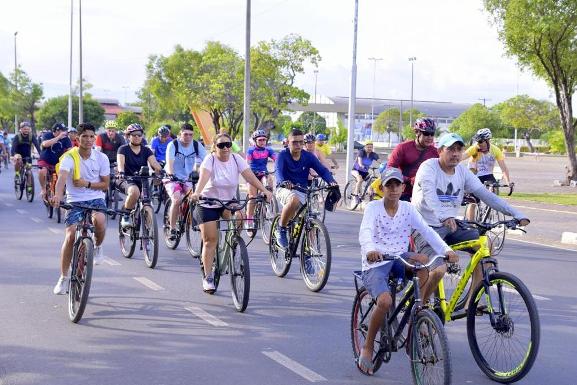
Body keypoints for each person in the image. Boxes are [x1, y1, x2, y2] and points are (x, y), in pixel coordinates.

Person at [357, 167, 458, 375]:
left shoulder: (408, 208)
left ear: (403, 187)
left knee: (422, 262)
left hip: (400, 256)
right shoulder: (373, 208)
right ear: (381, 188)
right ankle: (367, 347)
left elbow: (427, 232)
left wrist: (446, 250)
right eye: (389, 185)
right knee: (384, 302)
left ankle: (417, 312)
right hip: (377, 261)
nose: (393, 189)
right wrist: (370, 250)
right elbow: (365, 232)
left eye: (397, 185)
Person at [411, 132, 530, 309]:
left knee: (484, 245)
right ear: (440, 151)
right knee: (439, 271)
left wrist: (516, 213)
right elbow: (429, 196)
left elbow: (487, 195)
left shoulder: (462, 172)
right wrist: (444, 216)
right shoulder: (428, 168)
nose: (456, 154)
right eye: (451, 149)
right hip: (425, 228)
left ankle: (470, 303)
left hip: (450, 225)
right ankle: (420, 308)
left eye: (459, 149)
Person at [190, 133, 272, 292]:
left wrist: (264, 190)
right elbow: (204, 177)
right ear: (215, 147)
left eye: (228, 144)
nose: (225, 148)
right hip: (207, 202)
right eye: (221, 145)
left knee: (240, 217)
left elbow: (250, 177)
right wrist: (197, 192)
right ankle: (208, 276)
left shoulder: (236, 159)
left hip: (228, 201)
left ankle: (233, 245)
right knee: (210, 240)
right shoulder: (210, 159)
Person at [50, 123, 111, 294]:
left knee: (99, 220)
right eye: (84, 136)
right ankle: (63, 277)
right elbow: (61, 178)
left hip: (96, 198)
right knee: (70, 235)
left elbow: (105, 185)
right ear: (77, 138)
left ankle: (98, 247)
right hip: (75, 200)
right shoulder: (70, 157)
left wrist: (87, 184)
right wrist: (57, 196)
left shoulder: (102, 158)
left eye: (92, 136)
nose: (89, 139)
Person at [274, 129, 338, 248]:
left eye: (301, 142)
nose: (298, 145)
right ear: (288, 142)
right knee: (294, 200)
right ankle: (281, 229)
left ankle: (309, 255)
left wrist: (331, 181)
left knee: (311, 220)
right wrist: (283, 182)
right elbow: (278, 172)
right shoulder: (282, 155)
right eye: (294, 142)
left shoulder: (308, 156)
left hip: (302, 190)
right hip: (284, 188)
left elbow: (322, 170)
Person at [164, 123, 207, 240]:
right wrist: (171, 174)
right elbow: (169, 162)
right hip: (172, 178)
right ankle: (172, 228)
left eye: (190, 135)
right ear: (180, 135)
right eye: (185, 134)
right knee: (177, 199)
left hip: (187, 178)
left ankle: (187, 216)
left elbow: (207, 161)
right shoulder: (173, 145)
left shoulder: (196, 145)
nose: (188, 137)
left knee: (195, 197)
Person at [116, 123, 163, 228]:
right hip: (126, 179)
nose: (137, 137)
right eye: (134, 135)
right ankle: (126, 216)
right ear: (128, 136)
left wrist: (161, 170)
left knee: (147, 201)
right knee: (134, 192)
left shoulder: (146, 150)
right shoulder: (123, 149)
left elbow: (154, 163)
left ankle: (147, 235)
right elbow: (120, 164)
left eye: (139, 134)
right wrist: (121, 172)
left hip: (142, 180)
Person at [387, 117, 439, 201]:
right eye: (426, 133)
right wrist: (408, 179)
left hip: (424, 193)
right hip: (403, 192)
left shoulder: (435, 152)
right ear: (417, 132)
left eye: (432, 134)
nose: (430, 137)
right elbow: (390, 168)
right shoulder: (402, 148)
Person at [245, 129, 277, 233]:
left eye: (264, 140)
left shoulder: (268, 150)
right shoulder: (251, 150)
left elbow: (276, 159)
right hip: (252, 175)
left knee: (269, 181)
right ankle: (249, 220)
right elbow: (247, 164)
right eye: (260, 140)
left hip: (263, 173)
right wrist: (251, 172)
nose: (263, 142)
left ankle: (267, 205)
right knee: (253, 198)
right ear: (255, 141)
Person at [38, 123, 72, 199]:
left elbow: (70, 150)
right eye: (62, 130)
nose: (65, 132)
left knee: (64, 175)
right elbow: (45, 144)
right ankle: (43, 189)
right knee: (42, 171)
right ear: (56, 131)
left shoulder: (66, 139)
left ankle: (62, 194)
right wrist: (59, 137)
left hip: (58, 162)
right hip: (45, 160)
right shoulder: (47, 135)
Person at [11, 121, 41, 191]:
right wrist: (13, 155)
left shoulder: (31, 136)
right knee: (18, 159)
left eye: (27, 129)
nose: (26, 130)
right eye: (24, 129)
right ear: (21, 129)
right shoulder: (17, 136)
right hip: (18, 153)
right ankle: (17, 173)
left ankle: (29, 187)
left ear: (29, 129)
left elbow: (37, 145)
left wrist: (41, 154)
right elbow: (13, 147)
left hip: (27, 155)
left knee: (29, 171)